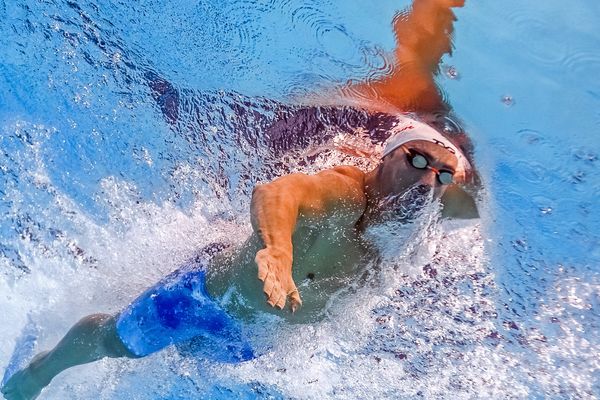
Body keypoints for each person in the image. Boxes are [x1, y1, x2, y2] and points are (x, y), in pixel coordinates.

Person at [1, 0, 478, 399]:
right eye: (416, 160)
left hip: (250, 342)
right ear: (385, 156)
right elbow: (280, 193)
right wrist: (277, 250)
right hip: (205, 298)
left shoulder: (415, 226)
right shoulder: (346, 192)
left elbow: (475, 205)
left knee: (183, 367)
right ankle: (39, 372)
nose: (425, 180)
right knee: (118, 340)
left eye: (439, 175)